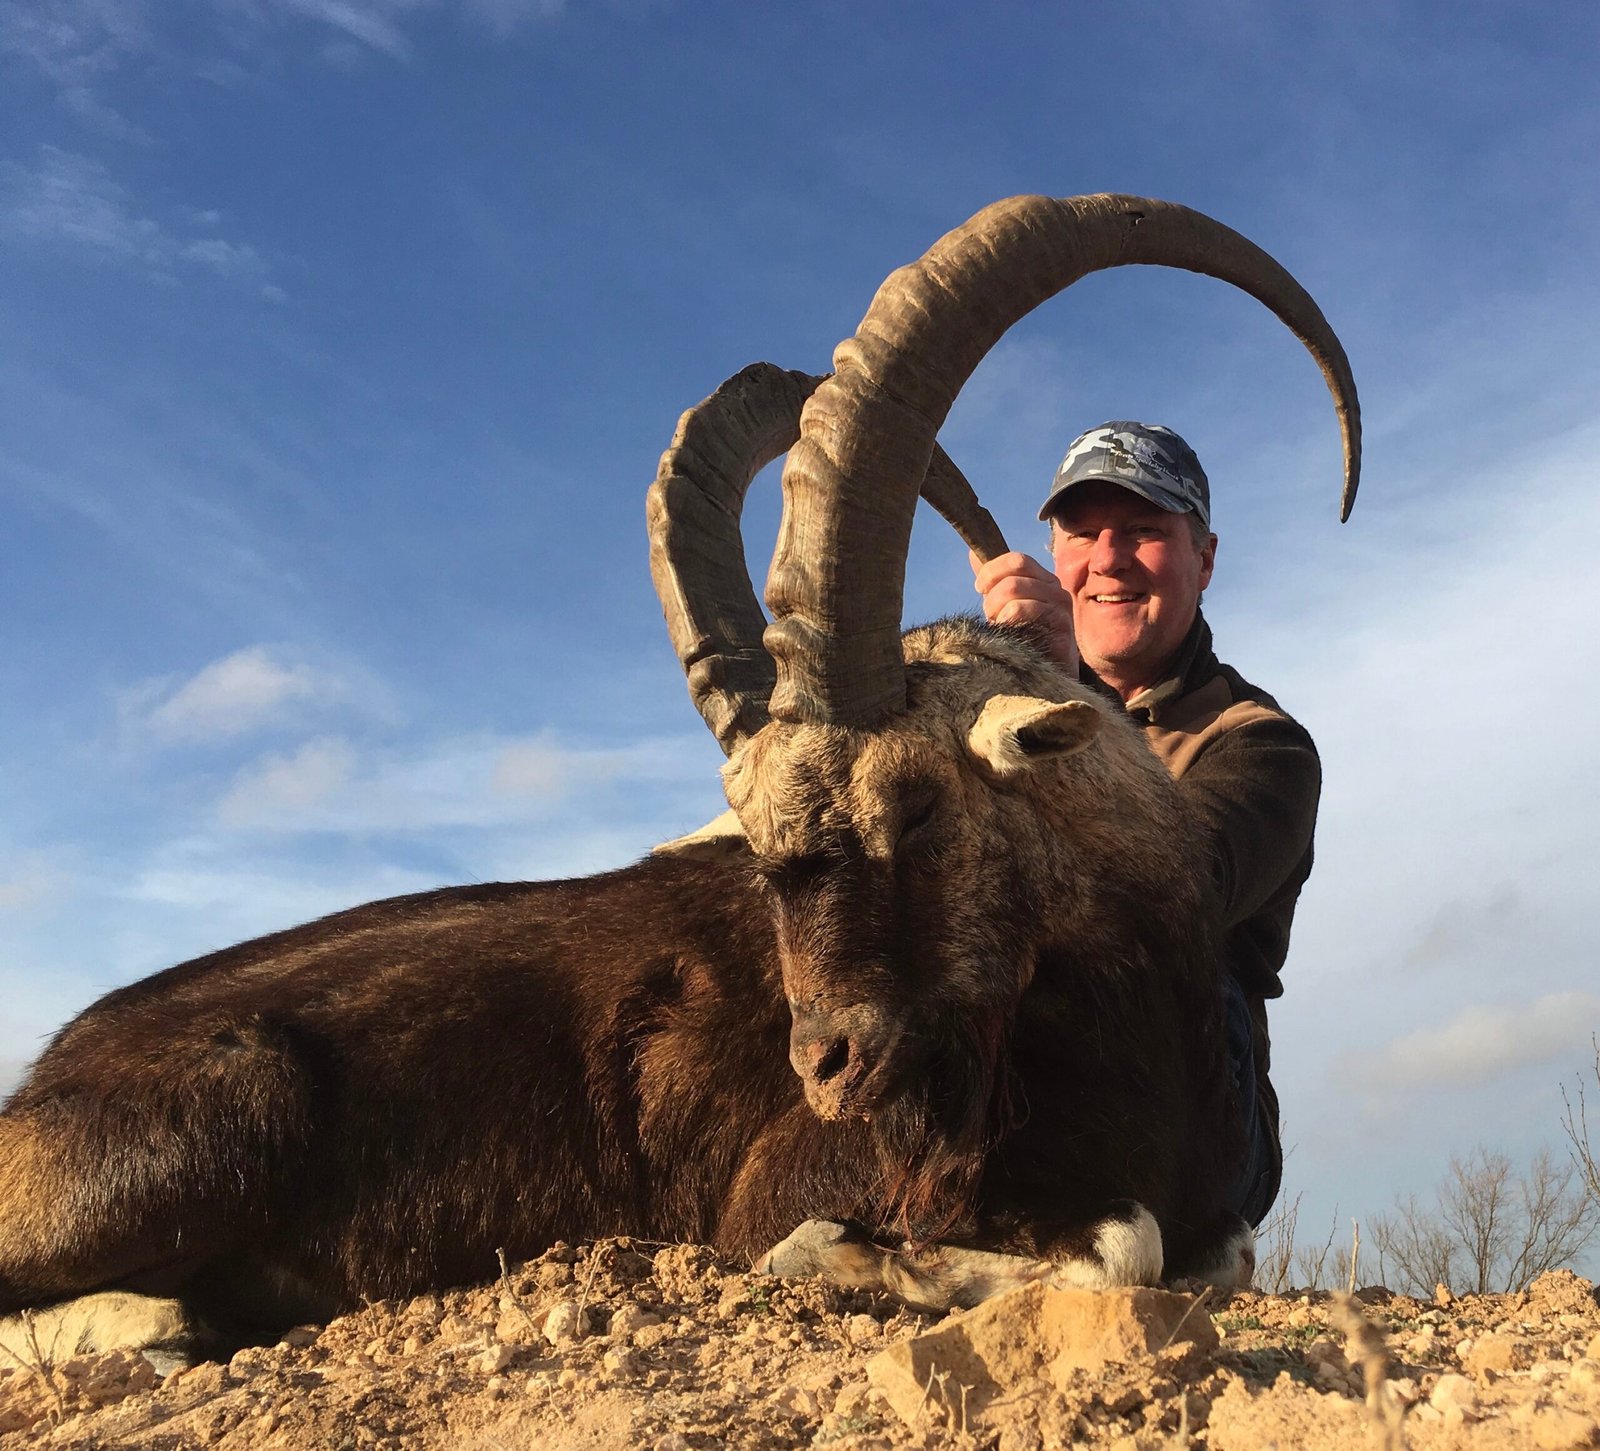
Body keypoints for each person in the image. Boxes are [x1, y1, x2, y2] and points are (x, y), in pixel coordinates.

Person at [970, 421, 1320, 1228]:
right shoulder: (986, 712)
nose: (1108, 558)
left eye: (1144, 531)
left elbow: (1169, 887)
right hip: (999, 1085)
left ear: (1204, 558)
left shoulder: (1260, 744)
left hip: (1200, 1128)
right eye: (1082, 532)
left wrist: (1065, 701)